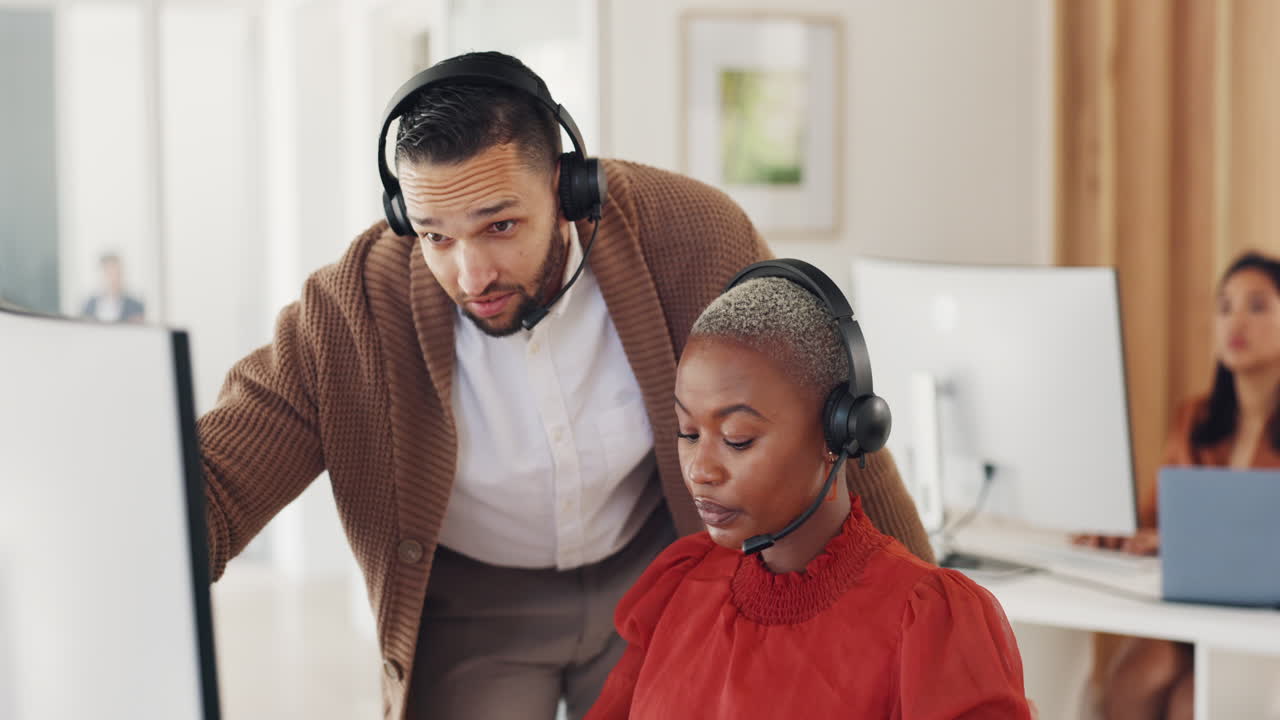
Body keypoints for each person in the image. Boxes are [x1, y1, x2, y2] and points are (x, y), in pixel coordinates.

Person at [196, 51, 933, 720]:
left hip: (655, 572)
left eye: (500, 226)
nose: (469, 274)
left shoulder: (696, 238)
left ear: (564, 184)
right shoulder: (350, 310)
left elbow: (836, 439)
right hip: (476, 604)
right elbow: (217, 485)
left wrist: (931, 630)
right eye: (434, 236)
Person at [585, 270, 1032, 719]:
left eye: (738, 438)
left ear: (838, 431)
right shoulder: (681, 584)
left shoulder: (927, 623)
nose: (700, 469)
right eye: (688, 432)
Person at [1074, 251, 1280, 720]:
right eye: (1224, 306)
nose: (1236, 321)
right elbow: (1156, 522)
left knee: (1193, 700)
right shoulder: (1197, 419)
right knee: (1141, 669)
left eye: (1258, 305)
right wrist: (1117, 535)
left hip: (1265, 619)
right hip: (1189, 608)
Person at [80, 253, 145, 323]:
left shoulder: (135, 306)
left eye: (117, 273)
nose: (113, 278)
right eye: (109, 273)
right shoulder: (89, 305)